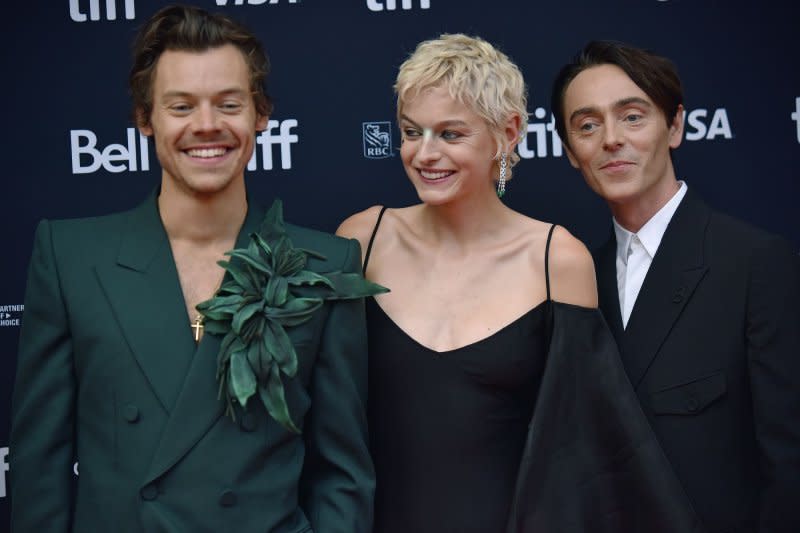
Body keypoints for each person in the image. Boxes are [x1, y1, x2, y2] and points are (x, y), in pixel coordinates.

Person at [9, 5, 376, 532]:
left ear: (261, 115)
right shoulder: (70, 257)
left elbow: (343, 473)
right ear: (145, 119)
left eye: (229, 104)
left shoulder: (325, 265)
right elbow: (38, 467)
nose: (207, 126)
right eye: (181, 106)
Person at [338, 34, 701, 533]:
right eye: (410, 131)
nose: (424, 154)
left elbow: (583, 452)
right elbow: (326, 421)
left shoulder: (557, 260)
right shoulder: (363, 239)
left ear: (507, 133)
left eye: (450, 134)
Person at [551, 40, 800, 533]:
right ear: (570, 152)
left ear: (677, 125)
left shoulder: (754, 263)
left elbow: (789, 464)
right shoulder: (576, 279)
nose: (610, 139)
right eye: (587, 125)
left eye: (632, 117)